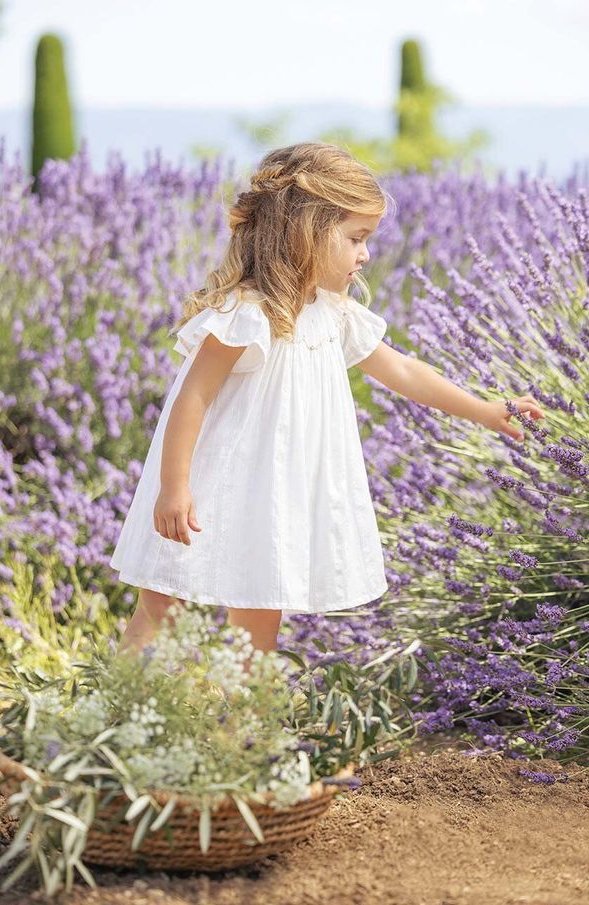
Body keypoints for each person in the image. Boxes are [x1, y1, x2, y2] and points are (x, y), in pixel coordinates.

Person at [109, 141, 546, 659]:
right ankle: (118, 716)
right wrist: (174, 488)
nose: (365, 254)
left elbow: (402, 369)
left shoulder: (333, 312)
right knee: (162, 604)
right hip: (206, 480)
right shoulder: (248, 311)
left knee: (258, 610)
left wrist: (486, 410)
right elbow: (193, 398)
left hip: (270, 490)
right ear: (307, 232)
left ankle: (244, 733)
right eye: (356, 238)